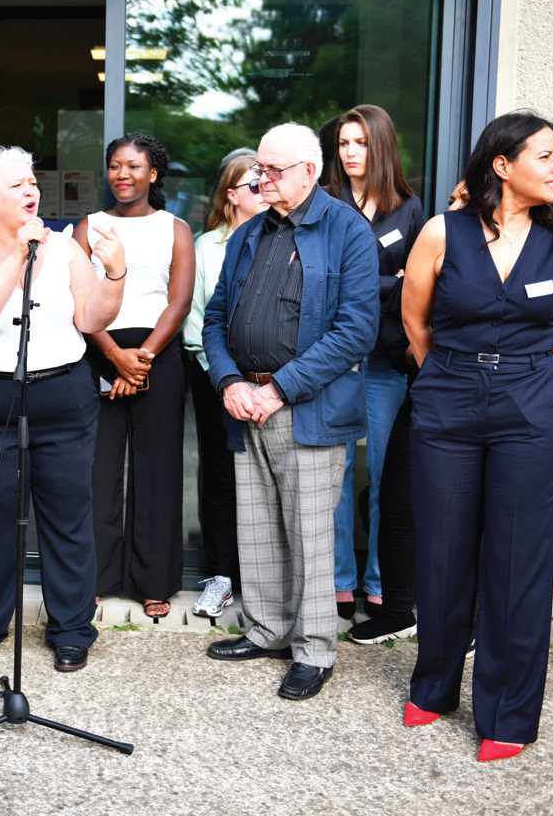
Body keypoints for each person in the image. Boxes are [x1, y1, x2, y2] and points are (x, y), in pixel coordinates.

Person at [400, 111, 553, 761]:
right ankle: (433, 685)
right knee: (442, 551)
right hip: (447, 400)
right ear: (502, 164)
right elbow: (414, 320)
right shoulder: (442, 231)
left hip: (529, 407)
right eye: (545, 155)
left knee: (517, 563)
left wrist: (530, 377)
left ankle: (507, 713)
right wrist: (452, 376)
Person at [201, 121, 379, 702]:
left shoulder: (347, 230)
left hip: (307, 407)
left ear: (309, 171)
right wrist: (229, 381)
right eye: (259, 169)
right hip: (244, 402)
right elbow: (215, 317)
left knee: (309, 535)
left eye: (273, 170)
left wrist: (278, 389)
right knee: (256, 528)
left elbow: (356, 330)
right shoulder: (251, 231)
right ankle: (268, 631)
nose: (261, 179)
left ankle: (314, 650)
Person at [0, 146, 125, 672]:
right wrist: (18, 255)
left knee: (68, 514)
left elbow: (92, 318)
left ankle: (71, 628)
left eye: (32, 182)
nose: (31, 190)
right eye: (17, 184)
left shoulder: (65, 247)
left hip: (63, 396)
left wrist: (115, 275)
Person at [73, 133, 194, 619]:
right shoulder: (88, 227)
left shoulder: (175, 229)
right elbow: (75, 298)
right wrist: (113, 354)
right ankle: (95, 576)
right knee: (97, 471)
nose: (123, 175)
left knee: (159, 471)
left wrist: (139, 358)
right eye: (115, 166)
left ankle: (153, 580)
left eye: (134, 166)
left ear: (153, 173)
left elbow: (179, 302)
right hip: (97, 350)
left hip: (157, 356)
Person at [325, 104, 426, 619]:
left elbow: (421, 285)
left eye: (360, 143)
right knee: (334, 477)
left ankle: (382, 581)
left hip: (388, 360)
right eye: (344, 143)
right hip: (336, 361)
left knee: (389, 476)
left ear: (380, 146)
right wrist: (390, 283)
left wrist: (370, 286)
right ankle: (339, 581)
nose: (350, 152)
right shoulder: (325, 203)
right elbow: (326, 281)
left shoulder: (409, 210)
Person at [181, 150, 263, 617]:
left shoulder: (283, 239)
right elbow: (195, 322)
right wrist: (225, 377)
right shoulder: (205, 247)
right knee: (220, 475)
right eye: (254, 184)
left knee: (268, 478)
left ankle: (264, 582)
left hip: (272, 380)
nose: (264, 188)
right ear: (231, 195)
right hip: (214, 373)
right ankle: (221, 576)